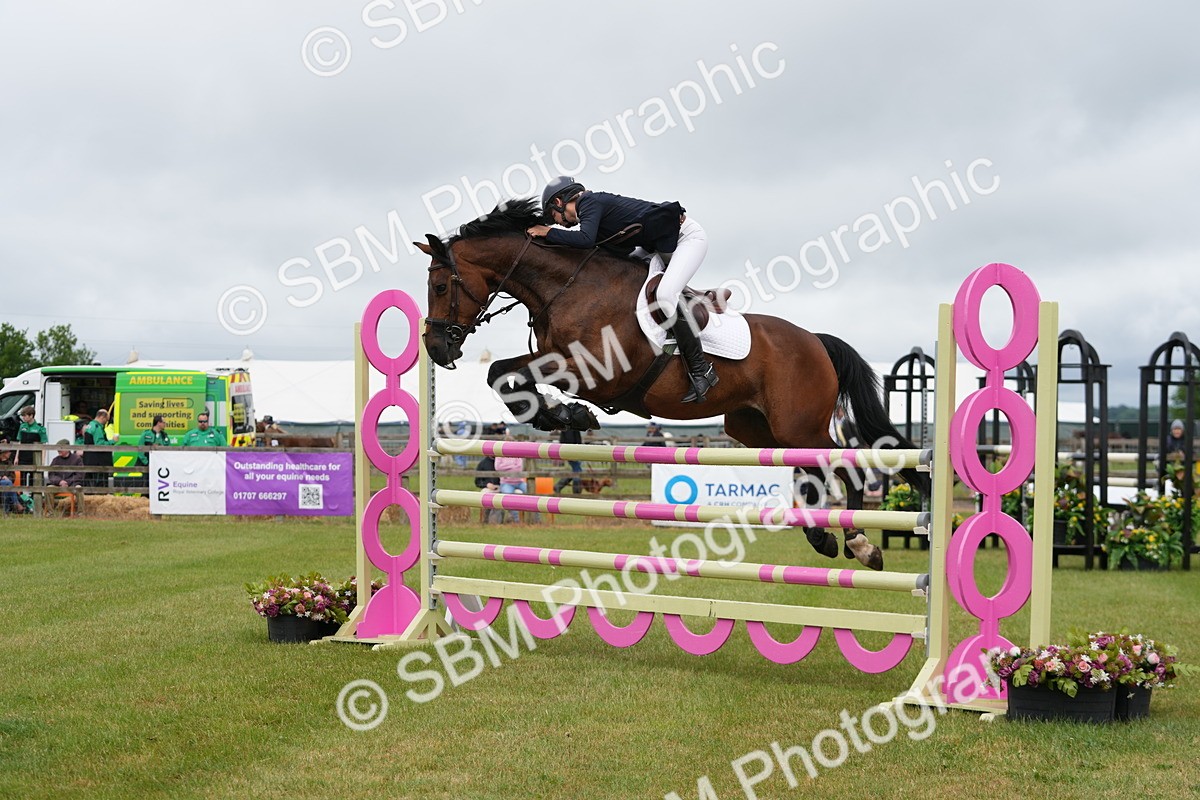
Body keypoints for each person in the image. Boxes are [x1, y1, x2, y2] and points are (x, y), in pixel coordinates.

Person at [527, 176, 718, 403]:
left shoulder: (589, 202)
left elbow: (585, 240)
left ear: (559, 202)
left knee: (665, 295)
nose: (557, 223)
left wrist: (547, 232)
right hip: (657, 247)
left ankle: (701, 369)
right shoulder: (591, 213)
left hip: (686, 239)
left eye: (554, 216)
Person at [83, 409, 118, 487]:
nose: (106, 422)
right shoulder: (97, 427)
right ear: (102, 417)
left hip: (89, 460)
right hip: (98, 462)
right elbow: (100, 444)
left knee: (90, 483)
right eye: (106, 420)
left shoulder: (90, 425)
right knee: (100, 484)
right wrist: (113, 441)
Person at [16, 405, 48, 486]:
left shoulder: (40, 429)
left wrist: (42, 461)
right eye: (22, 415)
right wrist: (16, 457)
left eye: (25, 415)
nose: (23, 417)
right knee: (23, 479)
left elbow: (43, 446)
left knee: (33, 479)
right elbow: (19, 442)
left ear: (31, 416)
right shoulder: (22, 426)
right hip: (23, 457)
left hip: (34, 458)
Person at [493, 445, 526, 523]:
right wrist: (513, 467)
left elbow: (519, 468)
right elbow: (497, 468)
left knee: (533, 494)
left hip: (519, 481)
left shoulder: (517, 455)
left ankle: (536, 520)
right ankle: (517, 520)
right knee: (509, 499)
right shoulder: (499, 456)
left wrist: (505, 468)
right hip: (506, 483)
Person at [554, 428, 583, 494]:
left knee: (576, 470)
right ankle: (576, 491)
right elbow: (578, 440)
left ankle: (559, 486)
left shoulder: (565, 427)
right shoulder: (575, 427)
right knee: (577, 470)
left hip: (567, 451)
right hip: (573, 451)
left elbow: (562, 440)